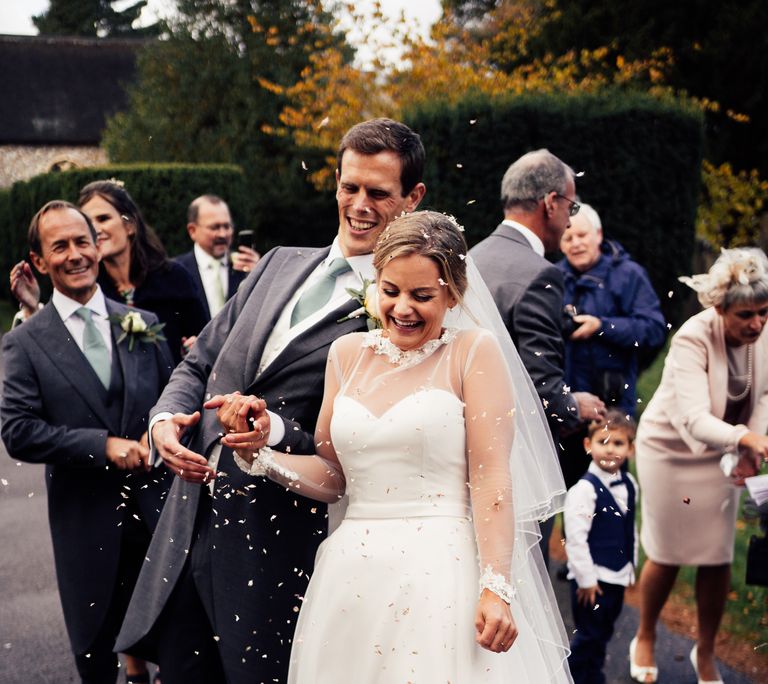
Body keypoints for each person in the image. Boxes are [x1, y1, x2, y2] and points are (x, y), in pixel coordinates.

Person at [114, 118, 428, 684]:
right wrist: (165, 421)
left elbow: (364, 448)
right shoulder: (278, 262)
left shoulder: (403, 316)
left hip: (275, 545)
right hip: (186, 525)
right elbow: (200, 360)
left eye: (378, 193)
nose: (359, 205)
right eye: (349, 186)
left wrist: (275, 434)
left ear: (413, 199)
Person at [211, 211, 572, 682]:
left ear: (453, 293)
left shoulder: (472, 352)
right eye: (390, 291)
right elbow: (335, 476)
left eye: (422, 296)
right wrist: (261, 456)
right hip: (351, 576)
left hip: (442, 575)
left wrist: (496, 586)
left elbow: (491, 478)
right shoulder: (346, 356)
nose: (403, 308)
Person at [0, 201, 174, 684]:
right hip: (85, 525)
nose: (75, 254)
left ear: (98, 247)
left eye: (82, 241)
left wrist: (158, 428)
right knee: (96, 660)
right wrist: (104, 446)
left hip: (155, 517)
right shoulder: (26, 342)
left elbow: (173, 401)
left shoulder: (141, 323)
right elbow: (18, 430)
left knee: (179, 649)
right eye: (60, 246)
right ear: (38, 261)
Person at [630, 248, 768, 684]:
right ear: (719, 308)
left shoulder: (765, 335)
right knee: (668, 554)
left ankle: (705, 651)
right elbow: (692, 417)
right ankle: (646, 634)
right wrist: (745, 440)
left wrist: (750, 448)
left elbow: (764, 396)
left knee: (716, 556)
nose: (757, 324)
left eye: (764, 312)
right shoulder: (692, 336)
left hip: (725, 452)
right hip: (672, 450)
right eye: (746, 314)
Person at [470, 149, 606, 563]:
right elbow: (543, 388)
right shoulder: (539, 273)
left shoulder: (473, 258)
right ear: (550, 202)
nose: (570, 218)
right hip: (516, 464)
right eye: (571, 205)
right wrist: (575, 406)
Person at [10, 179, 208, 363]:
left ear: (129, 225)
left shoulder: (173, 277)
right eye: (89, 222)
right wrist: (31, 308)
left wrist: (196, 348)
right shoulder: (87, 286)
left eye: (103, 218)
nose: (95, 229)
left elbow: (207, 338)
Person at [556, 203, 666, 487]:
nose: (576, 243)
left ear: (599, 234)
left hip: (612, 412)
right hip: (567, 413)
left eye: (582, 235)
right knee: (569, 500)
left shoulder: (629, 275)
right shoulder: (552, 278)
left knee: (611, 501)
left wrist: (602, 327)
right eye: (568, 237)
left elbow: (654, 329)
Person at [564, 410, 638, 684]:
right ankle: (572, 677)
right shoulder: (583, 490)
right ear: (588, 445)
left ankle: (593, 675)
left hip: (617, 576)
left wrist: (631, 567)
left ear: (630, 449)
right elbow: (575, 538)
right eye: (602, 441)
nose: (609, 449)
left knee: (604, 632)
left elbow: (630, 529)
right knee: (588, 635)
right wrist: (586, 579)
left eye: (618, 443)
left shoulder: (630, 485)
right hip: (591, 580)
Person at [176, 193, 260, 321]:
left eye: (227, 226)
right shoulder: (177, 270)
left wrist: (260, 276)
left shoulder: (246, 267)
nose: (223, 234)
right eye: (215, 227)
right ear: (192, 230)